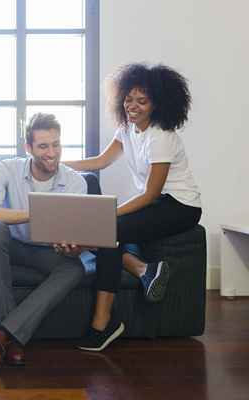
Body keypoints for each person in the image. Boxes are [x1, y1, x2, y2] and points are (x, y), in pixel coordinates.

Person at [64, 63, 202, 352]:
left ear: (157, 104)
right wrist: (59, 164)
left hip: (180, 206)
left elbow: (151, 194)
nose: (133, 106)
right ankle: (143, 270)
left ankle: (101, 326)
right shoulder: (126, 129)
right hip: (158, 203)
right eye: (129, 99)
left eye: (142, 101)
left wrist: (109, 213)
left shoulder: (161, 136)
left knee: (106, 229)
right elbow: (100, 162)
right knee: (106, 234)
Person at [0, 113, 89, 368]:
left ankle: (2, 336)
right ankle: (11, 338)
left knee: (75, 268)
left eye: (56, 144)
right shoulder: (7, 168)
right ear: (28, 148)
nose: (52, 153)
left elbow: (78, 234)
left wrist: (72, 248)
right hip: (12, 246)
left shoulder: (75, 181)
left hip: (49, 251)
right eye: (43, 146)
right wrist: (33, 214)